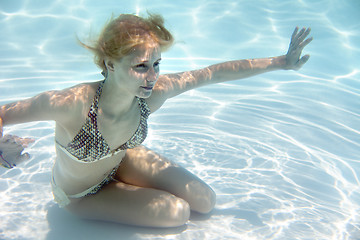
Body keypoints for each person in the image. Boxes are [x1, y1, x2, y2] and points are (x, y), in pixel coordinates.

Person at [0, 13, 312, 228]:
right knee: (177, 213)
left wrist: (281, 62)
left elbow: (211, 73)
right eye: (140, 66)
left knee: (206, 200)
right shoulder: (73, 105)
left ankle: (126, 180)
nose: (152, 77)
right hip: (80, 195)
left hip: (121, 161)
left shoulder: (151, 95)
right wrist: (1, 156)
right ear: (109, 63)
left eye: (157, 64)